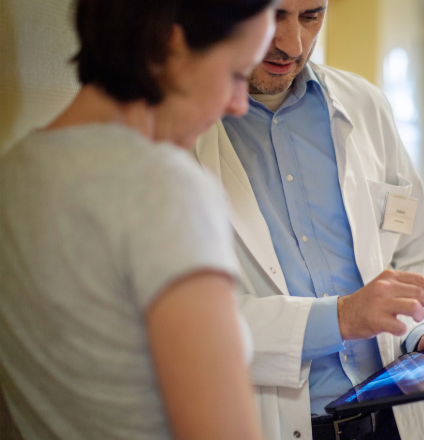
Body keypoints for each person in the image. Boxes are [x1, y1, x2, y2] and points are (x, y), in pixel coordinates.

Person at [193, 0, 424, 439]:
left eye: (312, 15)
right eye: (273, 16)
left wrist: (421, 331)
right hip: (276, 423)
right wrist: (342, 317)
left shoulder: (365, 104)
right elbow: (192, 323)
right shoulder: (182, 131)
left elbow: (413, 254)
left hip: (394, 417)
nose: (293, 44)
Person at [0, 0, 279, 439]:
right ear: (172, 46)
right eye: (237, 74)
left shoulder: (12, 176)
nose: (239, 104)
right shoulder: (164, 188)